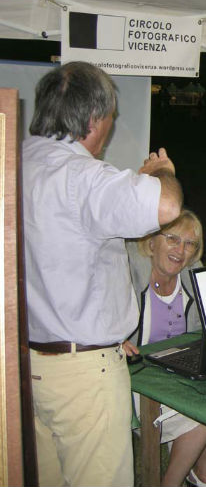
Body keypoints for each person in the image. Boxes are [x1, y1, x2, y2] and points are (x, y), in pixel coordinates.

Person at [23, 61, 183, 486]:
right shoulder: (85, 176)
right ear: (95, 119)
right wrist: (163, 174)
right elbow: (166, 208)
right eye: (111, 117)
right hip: (83, 377)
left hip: (25, 364)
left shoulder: (14, 161)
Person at [124, 210, 206, 487]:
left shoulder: (193, 273)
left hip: (180, 371)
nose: (181, 250)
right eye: (172, 239)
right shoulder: (129, 269)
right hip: (137, 379)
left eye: (190, 244)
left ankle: (200, 472)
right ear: (152, 241)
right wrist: (115, 338)